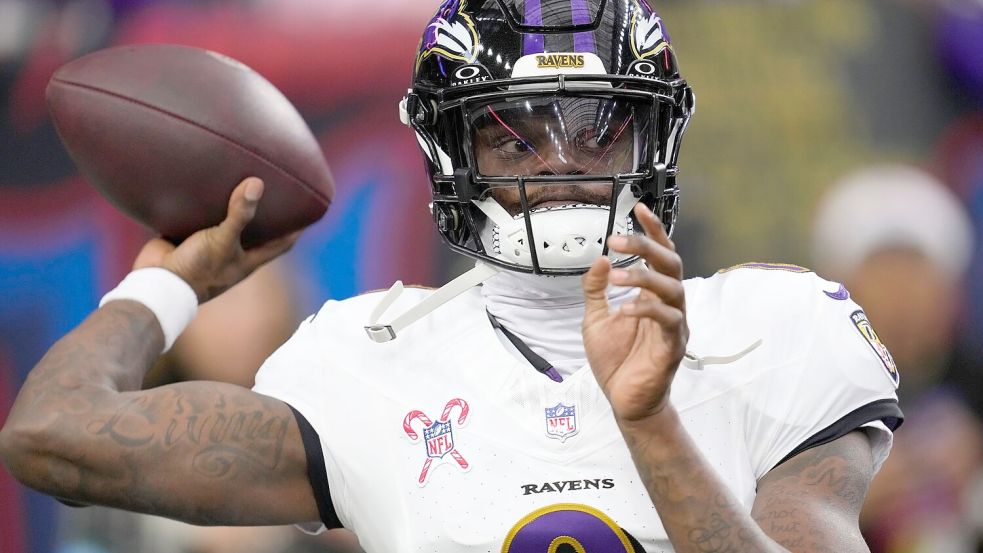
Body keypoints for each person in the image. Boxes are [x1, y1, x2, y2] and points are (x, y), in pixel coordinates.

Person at [0, 1, 902, 551]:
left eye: (597, 126)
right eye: (512, 132)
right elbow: (51, 435)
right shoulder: (368, 358)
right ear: (448, 149)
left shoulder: (774, 328)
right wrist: (172, 282)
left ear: (651, 137)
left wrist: (651, 425)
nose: (559, 161)